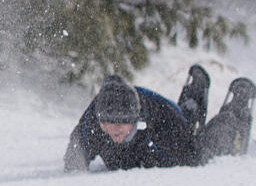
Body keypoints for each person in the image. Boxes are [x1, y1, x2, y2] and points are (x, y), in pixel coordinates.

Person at [64, 66, 254, 172]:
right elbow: (74, 156)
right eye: (107, 124)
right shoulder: (94, 121)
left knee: (199, 153)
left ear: (134, 119)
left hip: (172, 130)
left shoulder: (160, 118)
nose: (114, 130)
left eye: (121, 124)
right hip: (140, 153)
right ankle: (191, 104)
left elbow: (192, 159)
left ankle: (235, 112)